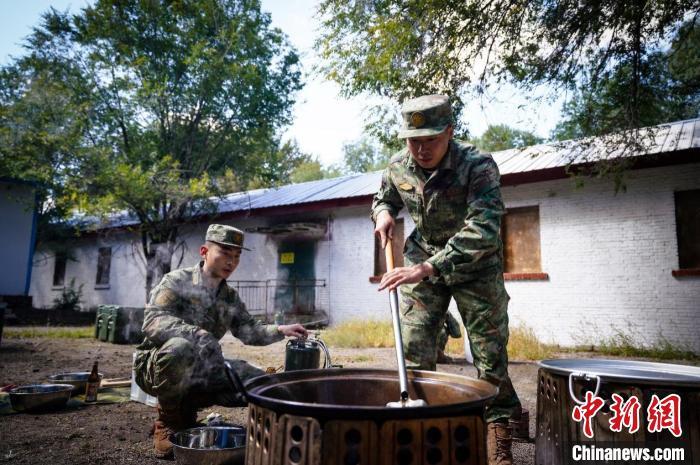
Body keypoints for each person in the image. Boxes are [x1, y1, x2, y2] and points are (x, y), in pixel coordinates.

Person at [371, 94, 522, 465]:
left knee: (489, 354)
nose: (421, 149)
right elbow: (383, 197)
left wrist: (427, 268)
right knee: (415, 345)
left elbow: (484, 231)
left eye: (431, 140)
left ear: (450, 133)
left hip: (475, 265)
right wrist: (383, 213)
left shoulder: (478, 165)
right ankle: (425, 427)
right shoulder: (397, 166)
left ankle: (500, 425)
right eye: (413, 140)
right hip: (421, 256)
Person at [133, 224, 307, 458]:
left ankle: (190, 411)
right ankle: (168, 422)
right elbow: (153, 321)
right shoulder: (176, 281)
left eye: (236, 256)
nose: (231, 262)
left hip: (204, 368)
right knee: (180, 348)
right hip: (157, 366)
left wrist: (281, 329)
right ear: (204, 252)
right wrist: (195, 334)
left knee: (260, 382)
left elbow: (249, 331)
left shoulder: (229, 297)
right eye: (225, 253)